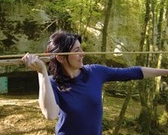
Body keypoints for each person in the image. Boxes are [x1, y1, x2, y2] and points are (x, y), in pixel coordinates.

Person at [22, 31, 168, 135]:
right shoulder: (52, 83)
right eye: (77, 50)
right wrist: (41, 72)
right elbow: (50, 114)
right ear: (60, 57)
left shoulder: (95, 72)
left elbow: (133, 72)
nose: (83, 53)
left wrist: (166, 72)